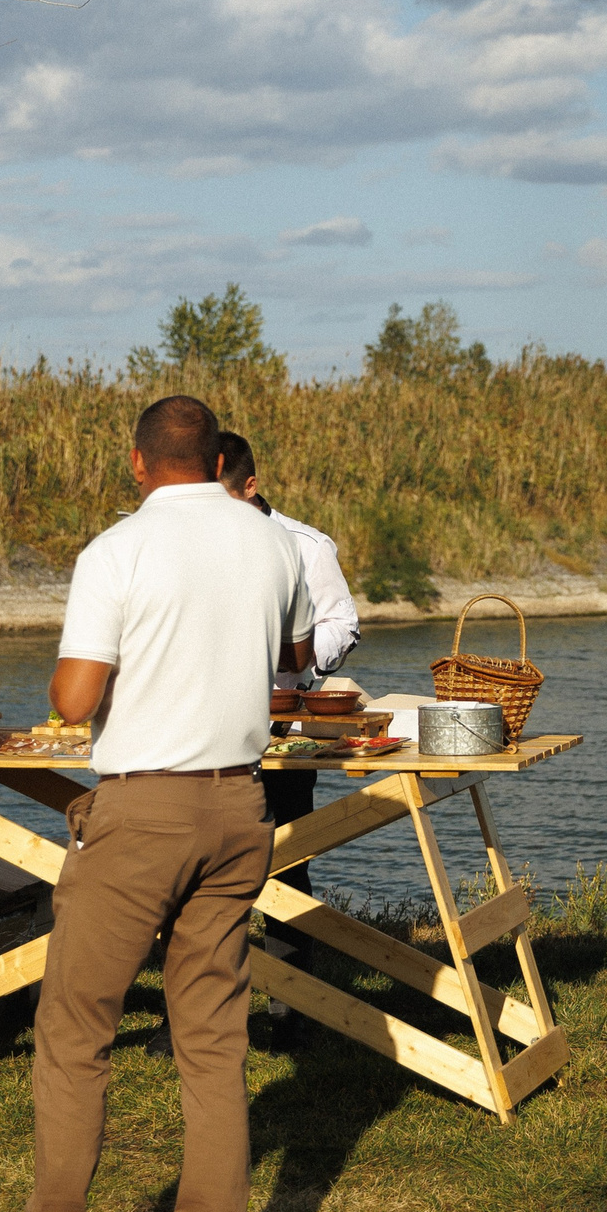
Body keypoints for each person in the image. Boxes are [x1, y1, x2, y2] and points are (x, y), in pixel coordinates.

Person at [0, 395, 309, 1212]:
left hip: (144, 810)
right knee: (214, 1041)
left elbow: (72, 699)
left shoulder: (118, 549)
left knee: (76, 1034)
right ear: (218, 459)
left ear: (141, 463)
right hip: (240, 803)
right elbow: (293, 652)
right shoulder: (274, 542)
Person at [221, 429, 360, 1045]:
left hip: (285, 727)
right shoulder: (196, 543)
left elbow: (342, 624)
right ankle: (195, 1015)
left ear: (251, 486)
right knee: (197, 867)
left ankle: (290, 1009)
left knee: (286, 862)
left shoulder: (305, 546)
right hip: (209, 728)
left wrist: (298, 668)